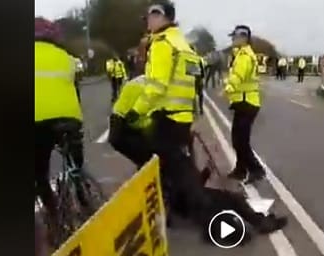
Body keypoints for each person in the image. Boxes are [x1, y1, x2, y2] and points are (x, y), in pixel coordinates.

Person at [109, 75, 288, 238]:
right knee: (211, 198)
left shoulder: (150, 86)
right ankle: (237, 229)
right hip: (166, 159)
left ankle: (251, 221)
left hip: (159, 155)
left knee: (204, 192)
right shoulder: (156, 92)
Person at [126, 1, 208, 215]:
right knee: (176, 166)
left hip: (166, 118)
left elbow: (156, 86)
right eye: (148, 17)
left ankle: (194, 209)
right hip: (182, 117)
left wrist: (136, 111)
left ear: (165, 18)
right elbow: (194, 82)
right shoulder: (183, 45)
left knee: (160, 166)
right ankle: (182, 204)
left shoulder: (162, 44)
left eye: (153, 16)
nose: (149, 21)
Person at [35, 17, 88, 226]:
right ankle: (83, 194)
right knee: (75, 158)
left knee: (39, 172)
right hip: (69, 117)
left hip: (38, 121)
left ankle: (54, 216)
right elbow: (76, 83)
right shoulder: (67, 57)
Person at [224, 24, 264, 184]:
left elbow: (239, 76)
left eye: (234, 36)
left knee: (241, 141)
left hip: (247, 102)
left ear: (243, 37)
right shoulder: (240, 54)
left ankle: (256, 169)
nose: (233, 39)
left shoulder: (245, 56)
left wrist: (228, 87)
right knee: (237, 139)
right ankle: (240, 169)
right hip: (242, 102)